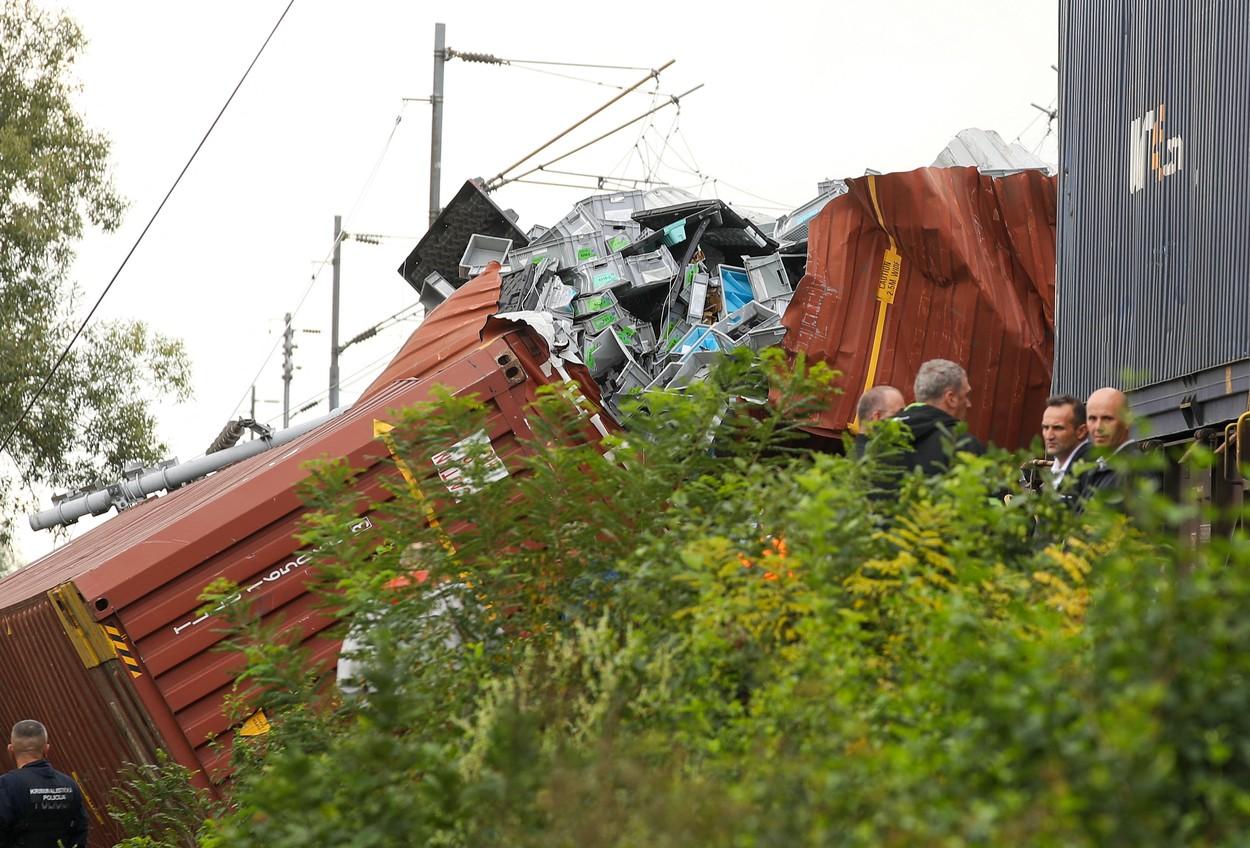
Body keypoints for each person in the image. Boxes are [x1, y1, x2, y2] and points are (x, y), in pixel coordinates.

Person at [0, 720, 88, 848]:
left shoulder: (6, 785)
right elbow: (80, 832)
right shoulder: (70, 785)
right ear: (46, 749)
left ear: (10, 750)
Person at [894, 359, 984, 475]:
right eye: (966, 395)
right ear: (951, 398)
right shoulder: (964, 447)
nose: (969, 404)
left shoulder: (880, 436)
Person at [1075, 386, 1154, 504]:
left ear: (1128, 421)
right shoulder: (1095, 469)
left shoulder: (1137, 470)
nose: (1098, 427)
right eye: (1092, 419)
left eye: (1107, 419)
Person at [1040, 394, 1090, 490]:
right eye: (1045, 427)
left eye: (1058, 428)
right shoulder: (1056, 469)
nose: (1049, 436)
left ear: (1081, 431)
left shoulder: (1093, 471)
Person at [852, 385, 905, 457]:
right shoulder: (872, 461)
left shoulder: (854, 456)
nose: (903, 418)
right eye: (899, 414)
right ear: (876, 418)